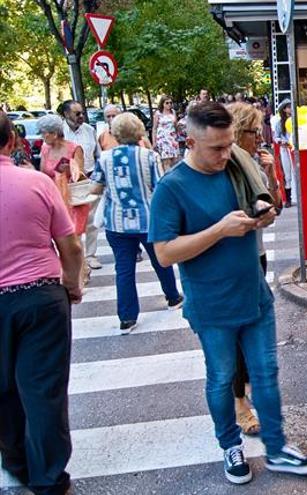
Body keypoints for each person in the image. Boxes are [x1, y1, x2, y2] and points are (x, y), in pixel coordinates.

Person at [149, 102, 307, 484]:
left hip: (255, 296)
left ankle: (276, 449)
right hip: (212, 306)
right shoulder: (171, 187)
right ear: (190, 142)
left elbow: (263, 204)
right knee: (221, 376)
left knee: (266, 374)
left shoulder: (237, 167)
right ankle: (230, 445)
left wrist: (265, 211)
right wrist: (218, 231)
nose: (226, 154)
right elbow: (163, 253)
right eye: (216, 148)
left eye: (229, 144)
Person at [0, 111, 84, 495]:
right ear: (12, 141)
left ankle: (16, 461)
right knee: (44, 390)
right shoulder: (36, 183)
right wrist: (71, 285)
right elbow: (70, 245)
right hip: (39, 295)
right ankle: (48, 477)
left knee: (3, 389)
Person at [91, 113, 184, 334]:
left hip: (117, 222)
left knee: (123, 269)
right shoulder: (149, 157)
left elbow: (95, 188)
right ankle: (172, 296)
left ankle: (127, 317)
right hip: (148, 220)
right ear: (139, 131)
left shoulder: (104, 158)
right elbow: (161, 186)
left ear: (115, 133)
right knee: (161, 260)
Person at [227, 101, 284, 436]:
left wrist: (271, 173)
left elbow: (272, 207)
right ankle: (238, 403)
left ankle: (246, 385)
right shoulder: (228, 164)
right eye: (254, 131)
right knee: (236, 332)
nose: (258, 137)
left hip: (255, 254)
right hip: (232, 259)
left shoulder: (253, 162)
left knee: (251, 325)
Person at [61, 99, 102, 270]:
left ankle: (90, 255)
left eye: (82, 112)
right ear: (66, 114)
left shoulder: (89, 130)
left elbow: (98, 154)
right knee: (71, 223)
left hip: (89, 178)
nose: (81, 116)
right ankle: (75, 257)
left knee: (92, 220)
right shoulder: (59, 132)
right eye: (77, 113)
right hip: (67, 183)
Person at [38, 115, 90, 239]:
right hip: (51, 199)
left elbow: (80, 176)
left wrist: (70, 170)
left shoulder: (74, 149)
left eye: (43, 133)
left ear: (54, 134)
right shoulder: (45, 149)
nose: (42, 136)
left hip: (72, 199)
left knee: (73, 239)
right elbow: (42, 173)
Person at [272, 99, 295, 207]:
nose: (291, 109)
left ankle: (297, 196)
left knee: (297, 173)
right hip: (285, 150)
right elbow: (276, 137)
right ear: (284, 109)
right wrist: (281, 141)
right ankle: (288, 199)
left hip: (295, 149)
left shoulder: (296, 120)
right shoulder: (280, 123)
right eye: (289, 107)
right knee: (287, 173)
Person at [152, 96, 180, 175]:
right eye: (167, 103)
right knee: (166, 161)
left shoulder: (173, 112)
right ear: (163, 104)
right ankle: (167, 178)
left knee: (175, 160)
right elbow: (154, 128)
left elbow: (176, 126)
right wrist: (154, 142)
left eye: (170, 103)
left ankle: (174, 179)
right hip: (163, 139)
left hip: (172, 138)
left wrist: (177, 125)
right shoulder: (158, 113)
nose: (169, 104)